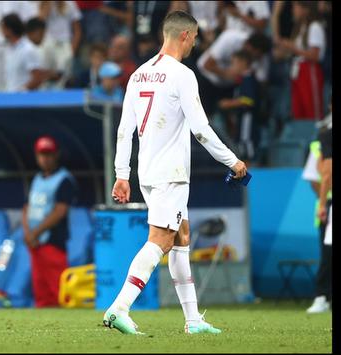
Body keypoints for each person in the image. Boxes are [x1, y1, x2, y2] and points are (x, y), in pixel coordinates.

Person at [105, 10, 247, 335]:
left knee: (182, 237)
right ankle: (120, 307)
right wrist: (233, 161)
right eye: (195, 38)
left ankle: (193, 320)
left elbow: (124, 130)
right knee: (161, 239)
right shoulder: (182, 75)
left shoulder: (138, 74)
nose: (195, 43)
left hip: (148, 173)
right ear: (184, 35)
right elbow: (201, 129)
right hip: (171, 172)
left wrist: (122, 174)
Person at [22, 136, 77, 307]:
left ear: (56, 155)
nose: (45, 159)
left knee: (58, 288)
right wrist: (27, 233)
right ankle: (45, 322)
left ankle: (63, 324)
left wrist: (35, 232)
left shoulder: (64, 179)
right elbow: (27, 208)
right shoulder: (37, 179)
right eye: (41, 154)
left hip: (53, 240)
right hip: (35, 242)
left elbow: (60, 211)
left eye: (49, 154)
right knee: (40, 288)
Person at [276, 1, 326, 120]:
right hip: (298, 70)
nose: (293, 10)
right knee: (298, 111)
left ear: (305, 9)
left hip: (309, 70)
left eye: (296, 7)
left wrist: (293, 48)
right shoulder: (300, 28)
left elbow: (315, 55)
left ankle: (316, 137)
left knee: (311, 110)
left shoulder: (314, 27)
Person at [308, 106, 332, 313]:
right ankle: (322, 296)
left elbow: (326, 172)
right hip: (329, 205)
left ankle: (322, 297)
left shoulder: (326, 135)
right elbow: (321, 175)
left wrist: (323, 203)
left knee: (328, 252)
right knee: (328, 253)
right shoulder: (324, 136)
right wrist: (323, 202)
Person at [217, 50, 259, 162]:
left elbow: (249, 100)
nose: (232, 67)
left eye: (233, 63)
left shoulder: (248, 79)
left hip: (247, 119)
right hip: (241, 119)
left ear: (243, 63)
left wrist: (229, 103)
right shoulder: (242, 80)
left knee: (246, 145)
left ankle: (250, 172)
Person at [0, 14, 45, 92]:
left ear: (9, 29)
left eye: (3, 28)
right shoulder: (8, 50)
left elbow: (37, 78)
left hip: (25, 101)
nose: (1, 31)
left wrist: (21, 91)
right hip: (10, 98)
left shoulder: (28, 49)